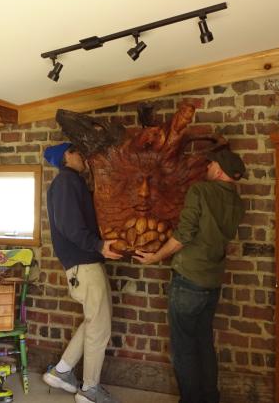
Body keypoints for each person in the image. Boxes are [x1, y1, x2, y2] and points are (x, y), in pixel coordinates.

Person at [134, 148, 246, 403]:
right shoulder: (237, 202)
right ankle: (210, 397)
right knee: (204, 343)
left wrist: (155, 256)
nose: (206, 167)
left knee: (183, 348)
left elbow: (183, 235)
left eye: (210, 163)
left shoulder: (201, 191)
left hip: (189, 280)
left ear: (218, 169)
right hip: (213, 281)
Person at [42, 142, 122, 403]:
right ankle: (90, 390)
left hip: (83, 264)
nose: (83, 157)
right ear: (67, 155)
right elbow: (70, 227)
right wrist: (98, 245)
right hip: (84, 264)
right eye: (79, 152)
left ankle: (62, 371)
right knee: (99, 326)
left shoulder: (71, 182)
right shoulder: (66, 182)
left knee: (93, 321)